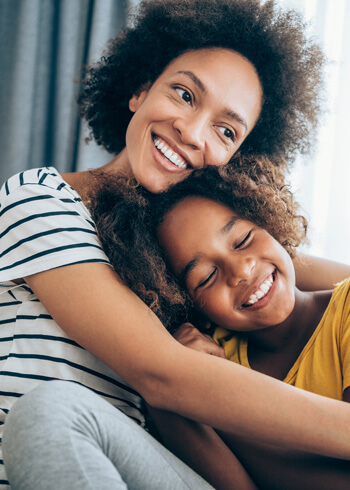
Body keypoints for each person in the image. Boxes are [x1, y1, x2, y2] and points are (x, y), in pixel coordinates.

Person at [2, 0, 350, 488]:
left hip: (144, 466)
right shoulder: (41, 199)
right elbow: (161, 374)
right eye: (185, 94)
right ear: (140, 89)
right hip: (53, 455)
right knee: (50, 411)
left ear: (234, 159)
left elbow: (286, 263)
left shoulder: (190, 251)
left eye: (225, 130)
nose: (191, 130)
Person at [83, 158, 350, 488]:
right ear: (185, 303)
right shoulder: (205, 360)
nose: (240, 271)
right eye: (206, 277)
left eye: (242, 240)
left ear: (269, 220)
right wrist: (178, 387)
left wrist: (211, 412)